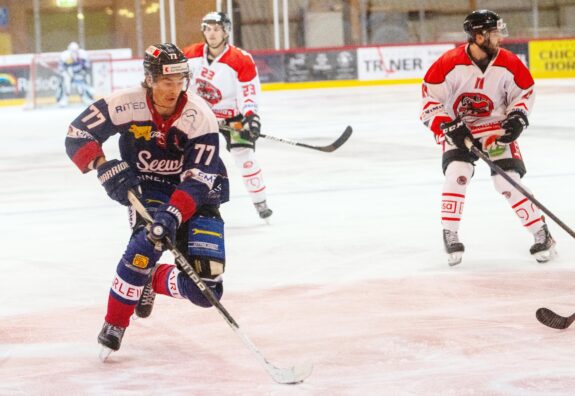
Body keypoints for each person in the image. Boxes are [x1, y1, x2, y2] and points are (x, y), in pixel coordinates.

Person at [65, 43, 230, 358]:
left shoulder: (200, 116)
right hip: (149, 188)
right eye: (167, 81)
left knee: (207, 290)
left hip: (199, 192)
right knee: (146, 243)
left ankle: (153, 280)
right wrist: (104, 167)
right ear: (150, 79)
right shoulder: (124, 104)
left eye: (180, 81)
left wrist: (173, 214)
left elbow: (198, 180)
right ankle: (115, 322)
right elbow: (77, 134)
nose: (174, 89)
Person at [419, 9, 556, 266]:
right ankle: (450, 232)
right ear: (478, 36)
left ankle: (541, 232)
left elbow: (524, 93)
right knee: (457, 174)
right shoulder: (448, 63)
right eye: (493, 33)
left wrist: (517, 118)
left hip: (495, 129)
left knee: (507, 182)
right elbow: (429, 102)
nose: (499, 38)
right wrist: (447, 125)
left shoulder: (509, 62)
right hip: (460, 128)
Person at [183, 11, 272, 221]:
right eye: (208, 29)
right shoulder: (190, 54)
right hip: (202, 119)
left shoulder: (240, 59)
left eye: (216, 29)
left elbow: (248, 91)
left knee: (245, 157)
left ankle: (261, 202)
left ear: (226, 32)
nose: (211, 34)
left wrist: (251, 117)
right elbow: (181, 85)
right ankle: (190, 203)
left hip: (233, 119)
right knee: (194, 161)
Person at [57, 41, 94, 107]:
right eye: (72, 51)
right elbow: (61, 67)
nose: (74, 52)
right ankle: (64, 99)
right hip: (68, 74)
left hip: (78, 74)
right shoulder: (65, 56)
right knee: (66, 84)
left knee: (81, 85)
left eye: (75, 50)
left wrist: (82, 67)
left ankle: (85, 98)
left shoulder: (82, 55)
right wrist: (65, 73)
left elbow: (87, 65)